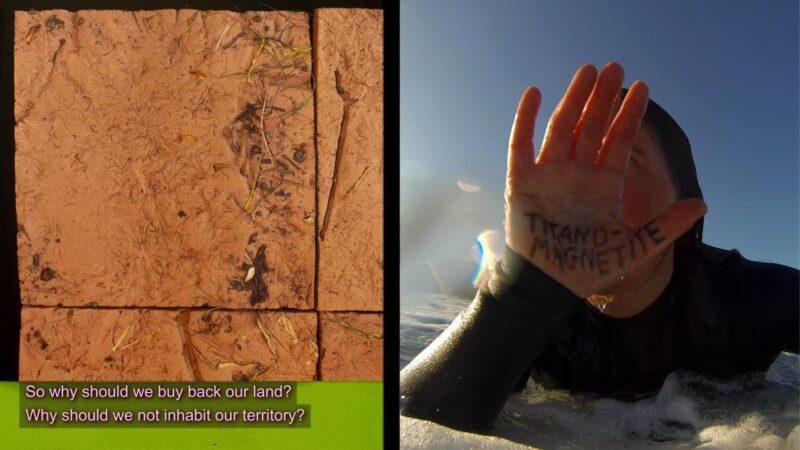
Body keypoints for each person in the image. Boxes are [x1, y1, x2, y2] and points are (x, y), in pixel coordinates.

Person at [399, 62, 799, 432]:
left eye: (622, 163)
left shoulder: (750, 300)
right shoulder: (528, 312)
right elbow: (373, 426)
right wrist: (526, 295)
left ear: (686, 215)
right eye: (571, 164)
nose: (585, 191)